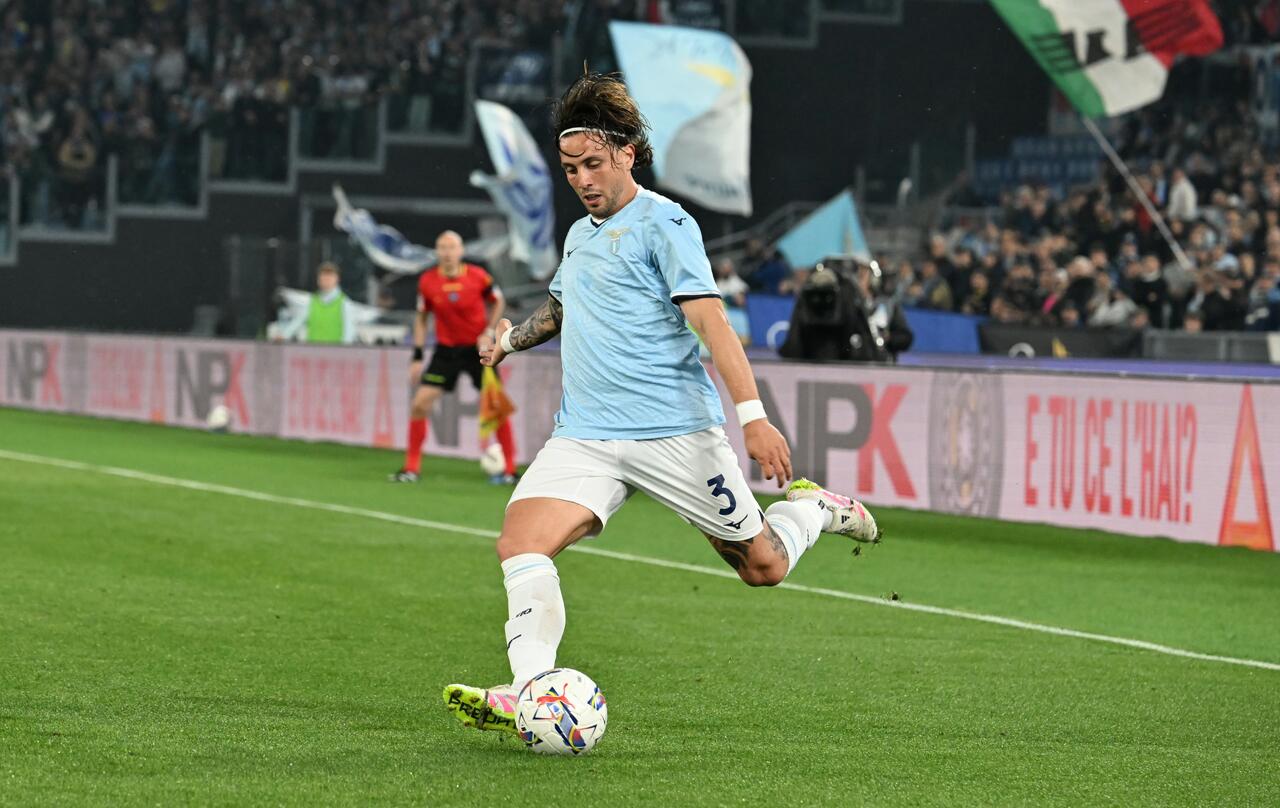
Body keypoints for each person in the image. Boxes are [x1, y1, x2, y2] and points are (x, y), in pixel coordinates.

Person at [441, 73, 880, 737]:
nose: (582, 179)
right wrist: (509, 340)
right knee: (521, 543)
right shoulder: (579, 236)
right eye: (570, 169)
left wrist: (754, 418)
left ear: (627, 153)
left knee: (763, 567)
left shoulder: (666, 224)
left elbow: (711, 324)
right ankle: (530, 690)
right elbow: (560, 307)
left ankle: (815, 509)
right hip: (585, 436)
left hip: (675, 433)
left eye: (592, 163)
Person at [390, 231, 519, 484]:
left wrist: (488, 332)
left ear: (461, 251)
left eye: (452, 247)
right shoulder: (427, 281)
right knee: (420, 404)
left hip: (478, 351)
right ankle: (411, 469)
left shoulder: (478, 276)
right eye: (442, 247)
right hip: (446, 351)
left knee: (496, 407)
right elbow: (421, 318)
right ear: (437, 252)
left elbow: (499, 301)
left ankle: (510, 471)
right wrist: (417, 355)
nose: (447, 252)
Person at [274, 262, 359, 344]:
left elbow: (349, 332)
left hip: (336, 352)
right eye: (323, 277)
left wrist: (343, 351)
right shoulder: (312, 302)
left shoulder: (345, 303)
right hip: (313, 352)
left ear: (337, 279)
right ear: (318, 280)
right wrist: (284, 335)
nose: (326, 280)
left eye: (329, 277)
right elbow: (297, 321)